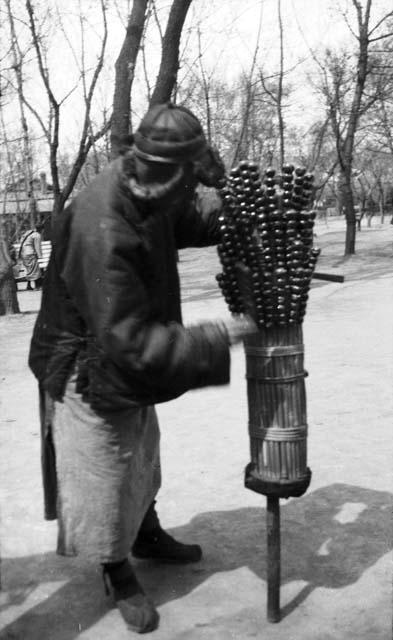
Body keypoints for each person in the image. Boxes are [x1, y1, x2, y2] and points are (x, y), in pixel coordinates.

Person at [28, 102, 256, 634]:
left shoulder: (150, 187)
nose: (190, 193)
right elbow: (127, 341)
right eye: (188, 183)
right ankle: (115, 567)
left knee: (142, 455)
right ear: (165, 174)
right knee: (106, 470)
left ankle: (146, 532)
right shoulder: (102, 224)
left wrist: (230, 213)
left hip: (120, 356)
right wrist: (221, 335)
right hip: (86, 365)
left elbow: (188, 216)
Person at [19, 222, 43, 290]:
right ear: (41, 229)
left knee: (29, 270)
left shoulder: (28, 232)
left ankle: (28, 286)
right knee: (35, 270)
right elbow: (37, 247)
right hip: (30, 254)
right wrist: (40, 257)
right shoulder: (37, 235)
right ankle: (37, 286)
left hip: (23, 253)